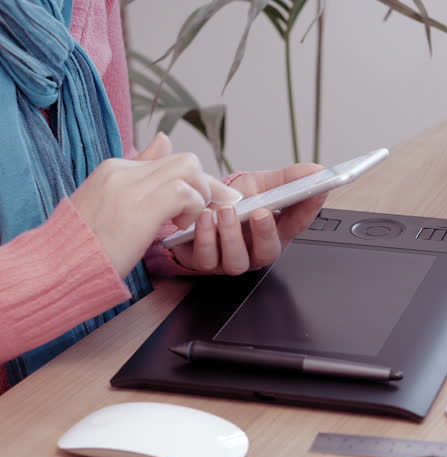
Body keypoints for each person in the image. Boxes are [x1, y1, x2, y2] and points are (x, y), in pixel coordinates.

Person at [0, 0, 325, 392]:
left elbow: (110, 171)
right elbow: (86, 232)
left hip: (99, 377)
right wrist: (63, 263)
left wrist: (180, 229)